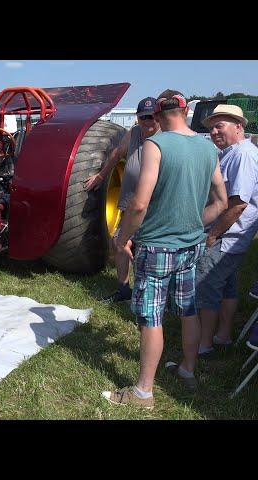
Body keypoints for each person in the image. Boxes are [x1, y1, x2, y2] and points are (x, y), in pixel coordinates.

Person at [101, 90, 227, 408]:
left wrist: (122, 238)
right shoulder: (207, 146)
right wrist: (194, 223)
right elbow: (221, 202)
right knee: (187, 309)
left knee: (151, 317)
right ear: (185, 111)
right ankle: (187, 369)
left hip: (157, 246)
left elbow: (140, 203)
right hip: (191, 245)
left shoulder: (157, 145)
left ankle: (143, 392)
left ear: (157, 115)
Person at [195, 104, 258, 356]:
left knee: (206, 286)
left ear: (238, 127)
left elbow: (238, 203)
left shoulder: (244, 155)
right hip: (230, 235)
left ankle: (204, 343)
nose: (214, 132)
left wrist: (213, 234)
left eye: (219, 126)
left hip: (227, 235)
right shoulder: (232, 152)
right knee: (227, 285)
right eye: (211, 128)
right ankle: (223, 335)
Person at [85, 97, 160, 303]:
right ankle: (124, 288)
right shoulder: (134, 133)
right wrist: (101, 176)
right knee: (119, 243)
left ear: (159, 117)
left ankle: (150, 294)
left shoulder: (165, 139)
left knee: (149, 249)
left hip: (153, 207)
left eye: (152, 117)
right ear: (138, 117)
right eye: (144, 117)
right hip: (129, 204)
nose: (148, 121)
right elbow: (117, 153)